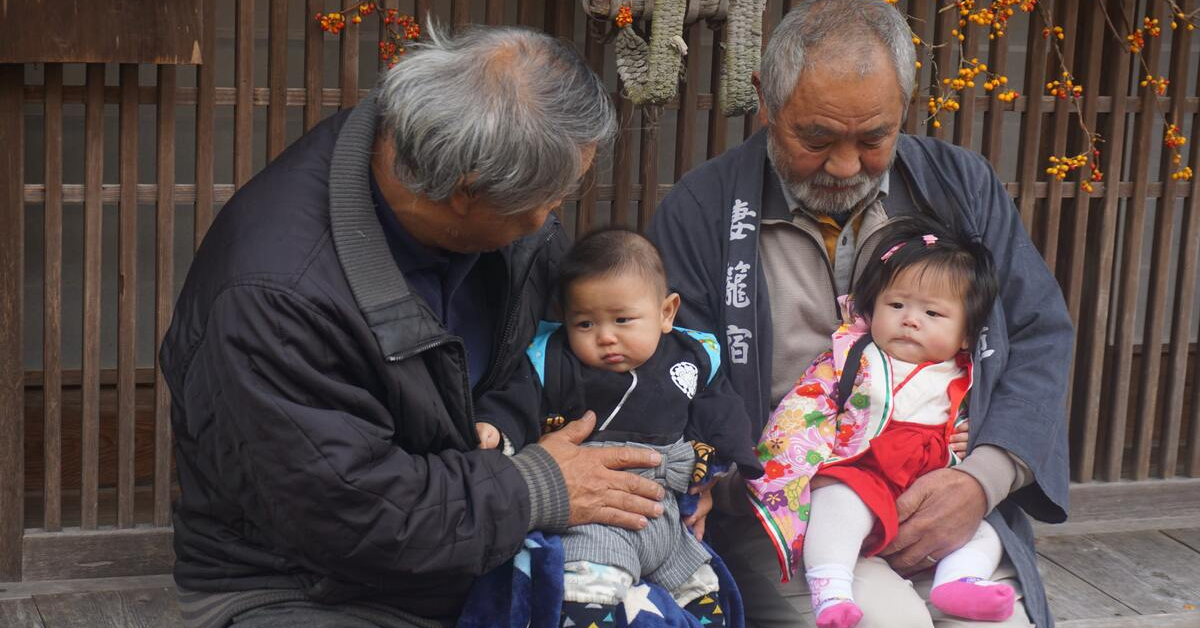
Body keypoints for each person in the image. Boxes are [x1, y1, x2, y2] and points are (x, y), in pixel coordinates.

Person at [159, 25, 672, 628]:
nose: (556, 213)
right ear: (466, 192)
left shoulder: (493, 204)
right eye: (552, 199)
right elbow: (352, 516)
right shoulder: (276, 298)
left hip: (488, 540)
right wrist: (531, 486)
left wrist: (675, 452)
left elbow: (556, 358)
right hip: (312, 585)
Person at [647, 0, 1073, 626]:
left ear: (905, 102)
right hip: (788, 514)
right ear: (766, 100)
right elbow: (675, 370)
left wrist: (981, 480)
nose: (845, 166)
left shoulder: (961, 186)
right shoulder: (702, 210)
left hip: (946, 489)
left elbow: (1038, 334)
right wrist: (737, 480)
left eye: (874, 138)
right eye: (816, 137)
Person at [473, 227, 763, 628]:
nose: (606, 337)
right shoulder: (553, 359)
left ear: (666, 312)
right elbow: (516, 398)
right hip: (597, 512)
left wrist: (733, 457)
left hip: (669, 514)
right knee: (591, 585)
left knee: (702, 588)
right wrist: (496, 428)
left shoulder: (691, 357)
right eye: (585, 324)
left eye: (623, 320)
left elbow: (721, 409)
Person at [748, 216, 1016, 628]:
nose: (911, 320)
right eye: (897, 305)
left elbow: (973, 427)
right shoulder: (852, 360)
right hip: (866, 472)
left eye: (932, 312)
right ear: (871, 310)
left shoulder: (965, 377)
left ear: (966, 335)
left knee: (986, 531)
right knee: (838, 503)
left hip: (927, 487)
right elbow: (803, 408)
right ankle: (831, 586)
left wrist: (967, 440)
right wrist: (788, 461)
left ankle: (959, 579)